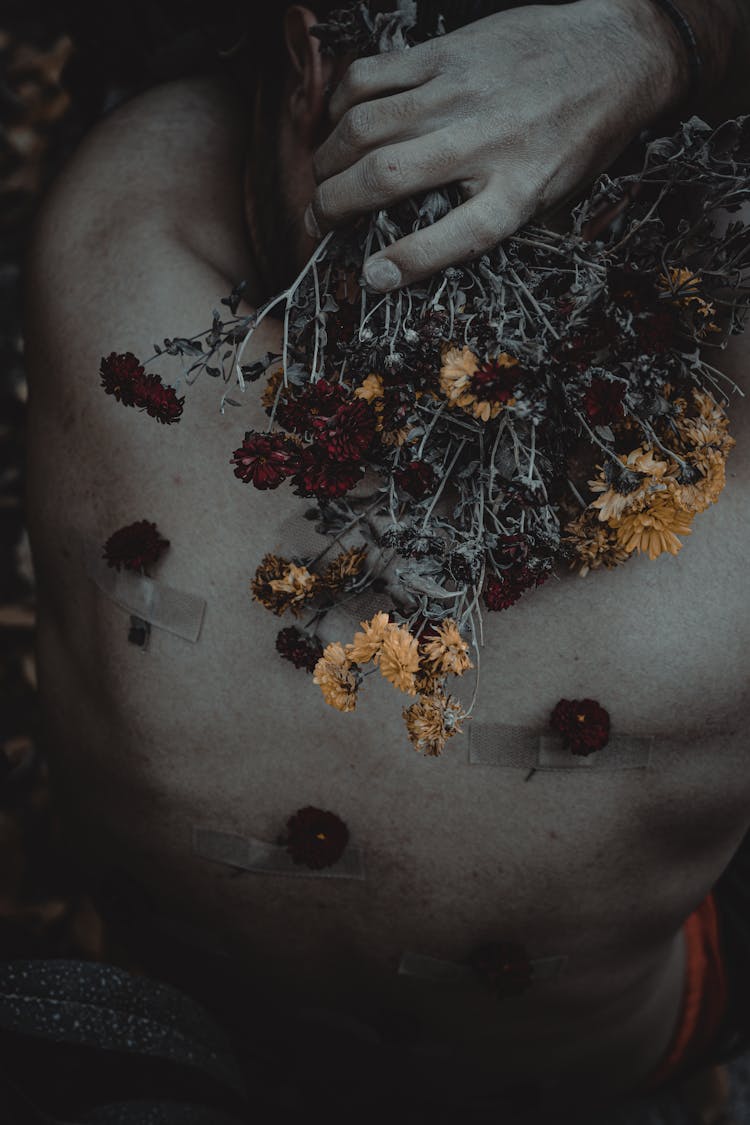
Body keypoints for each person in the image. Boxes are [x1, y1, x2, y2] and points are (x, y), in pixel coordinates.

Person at [21, 1, 750, 1120]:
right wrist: (665, 43)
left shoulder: (124, 221)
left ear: (313, 59)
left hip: (260, 1004)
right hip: (543, 1052)